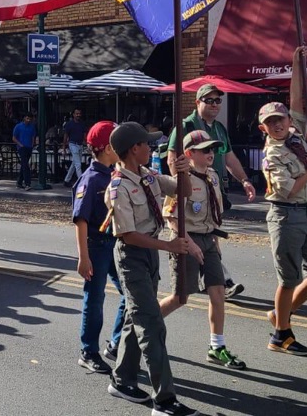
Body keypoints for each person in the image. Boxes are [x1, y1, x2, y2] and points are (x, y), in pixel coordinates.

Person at [104, 121, 202, 416]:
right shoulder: (118, 186)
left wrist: (182, 171)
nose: (151, 147)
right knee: (152, 325)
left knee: (139, 319)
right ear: (135, 149)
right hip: (132, 256)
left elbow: (184, 192)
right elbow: (127, 234)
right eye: (147, 143)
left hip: (150, 253)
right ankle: (165, 401)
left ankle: (122, 380)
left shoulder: (147, 175)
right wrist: (170, 247)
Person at [260, 46, 307, 357]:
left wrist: (297, 67)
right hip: (286, 215)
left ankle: (280, 315)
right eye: (271, 122)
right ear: (264, 127)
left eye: (281, 119)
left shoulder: (296, 136)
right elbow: (286, 190)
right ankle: (281, 334)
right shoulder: (273, 153)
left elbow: (297, 101)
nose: (278, 124)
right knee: (289, 280)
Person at [158, 129, 246, 370]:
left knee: (218, 293)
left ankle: (216, 347)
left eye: (213, 149)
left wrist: (214, 243)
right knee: (180, 297)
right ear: (189, 153)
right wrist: (192, 244)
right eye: (205, 150)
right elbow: (172, 218)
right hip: (186, 241)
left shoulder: (214, 176)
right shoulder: (182, 181)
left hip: (208, 239)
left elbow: (214, 212)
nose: (211, 153)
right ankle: (137, 328)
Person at [166, 84, 256, 299]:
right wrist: (183, 185)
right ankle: (221, 281)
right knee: (202, 240)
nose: (215, 104)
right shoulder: (185, 126)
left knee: (212, 236)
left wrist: (244, 180)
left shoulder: (219, 128)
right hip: (193, 192)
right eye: (209, 100)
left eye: (218, 101)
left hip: (213, 189)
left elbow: (228, 158)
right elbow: (172, 158)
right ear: (198, 102)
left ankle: (217, 281)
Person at [72, 120, 126, 374]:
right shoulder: (91, 179)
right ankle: (88, 350)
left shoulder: (115, 173)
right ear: (106, 148)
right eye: (117, 143)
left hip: (115, 243)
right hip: (97, 245)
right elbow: (81, 219)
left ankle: (116, 342)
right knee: (95, 299)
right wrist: (83, 257)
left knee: (129, 293)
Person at [62, 109, 88, 187]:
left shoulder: (81, 124)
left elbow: (84, 136)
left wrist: (86, 143)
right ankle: (81, 182)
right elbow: (66, 135)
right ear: (73, 114)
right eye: (76, 114)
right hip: (73, 144)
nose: (78, 115)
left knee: (75, 163)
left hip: (79, 144)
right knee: (78, 164)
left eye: (79, 113)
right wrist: (64, 146)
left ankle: (67, 180)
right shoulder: (70, 124)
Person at [12, 113, 37, 189]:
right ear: (24, 118)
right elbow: (14, 138)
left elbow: (33, 136)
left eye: (29, 119)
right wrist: (20, 144)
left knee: (24, 164)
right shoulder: (18, 126)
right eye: (27, 118)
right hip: (22, 148)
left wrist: (32, 145)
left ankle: (19, 182)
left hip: (29, 147)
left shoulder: (32, 127)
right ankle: (27, 183)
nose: (28, 120)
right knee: (26, 165)